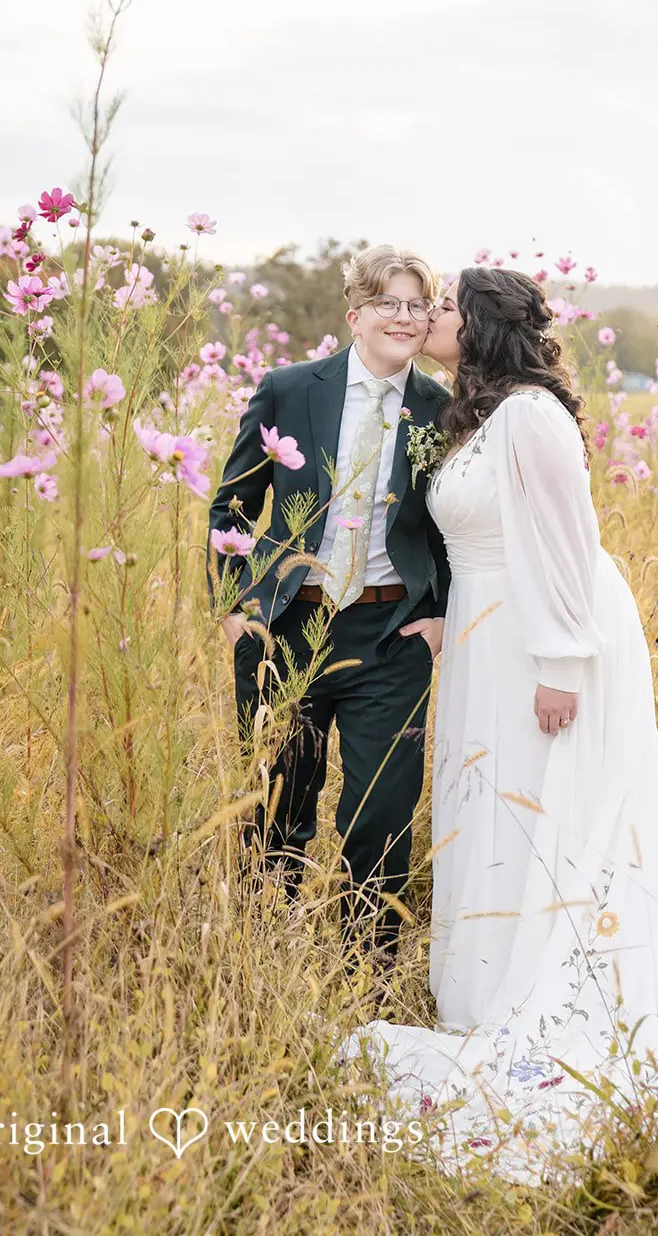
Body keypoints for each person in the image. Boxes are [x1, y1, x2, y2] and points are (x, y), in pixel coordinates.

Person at [337, 266, 658, 1181]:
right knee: (494, 803)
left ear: (479, 324)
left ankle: (555, 986)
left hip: (543, 635)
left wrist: (562, 662)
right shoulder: (480, 414)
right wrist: (447, 616)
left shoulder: (531, 413)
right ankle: (488, 984)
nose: (428, 316)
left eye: (443, 305)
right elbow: (474, 537)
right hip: (486, 634)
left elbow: (570, 540)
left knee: (547, 807)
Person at [206, 244, 452, 969]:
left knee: (381, 809)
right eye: (386, 303)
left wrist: (440, 615)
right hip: (286, 626)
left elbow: (453, 527)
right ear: (354, 315)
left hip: (391, 635)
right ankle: (267, 957)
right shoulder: (288, 390)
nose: (403, 317)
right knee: (277, 799)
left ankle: (367, 971)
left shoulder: (443, 410)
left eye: (417, 305)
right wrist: (234, 607)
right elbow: (232, 505)